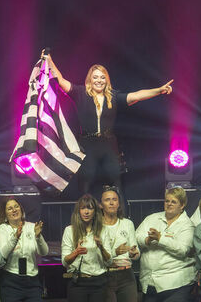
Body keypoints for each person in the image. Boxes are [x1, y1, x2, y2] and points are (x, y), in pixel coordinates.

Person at [41, 52, 173, 197]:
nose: (99, 80)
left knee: (117, 183)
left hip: (109, 144)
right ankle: (85, 215)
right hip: (87, 144)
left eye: (102, 77)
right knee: (85, 185)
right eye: (96, 77)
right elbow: (60, 80)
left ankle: (122, 216)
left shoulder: (113, 96)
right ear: (90, 79)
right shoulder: (80, 93)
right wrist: (50, 60)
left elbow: (137, 95)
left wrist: (159, 91)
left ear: (107, 80)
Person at [135, 187, 195, 302]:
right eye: (167, 200)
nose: (169, 204)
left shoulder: (187, 225)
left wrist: (160, 239)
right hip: (150, 279)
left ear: (182, 205)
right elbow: (137, 237)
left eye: (173, 202)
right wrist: (147, 240)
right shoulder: (152, 218)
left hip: (175, 280)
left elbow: (183, 249)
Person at [99, 186, 141, 302]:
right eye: (107, 199)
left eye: (114, 199)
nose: (111, 202)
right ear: (101, 204)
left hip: (126, 275)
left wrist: (134, 253)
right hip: (107, 275)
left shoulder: (127, 224)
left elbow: (135, 250)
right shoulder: (96, 225)